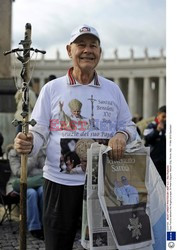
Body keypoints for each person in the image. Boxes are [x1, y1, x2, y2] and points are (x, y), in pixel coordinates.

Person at [14, 24, 136, 250]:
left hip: (103, 185)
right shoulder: (52, 89)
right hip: (60, 183)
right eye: (81, 45)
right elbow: (39, 130)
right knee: (57, 244)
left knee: (104, 245)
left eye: (93, 45)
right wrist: (28, 142)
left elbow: (129, 126)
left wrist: (121, 134)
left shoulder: (113, 90)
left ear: (100, 52)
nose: (88, 50)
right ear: (69, 50)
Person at [7, 145, 46, 240]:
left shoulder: (38, 150)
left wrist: (32, 174)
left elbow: (44, 170)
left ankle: (44, 224)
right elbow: (19, 172)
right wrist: (31, 159)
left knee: (42, 191)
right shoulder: (14, 152)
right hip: (19, 184)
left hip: (35, 183)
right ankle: (34, 227)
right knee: (31, 193)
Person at [143, 105, 166, 184]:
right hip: (153, 161)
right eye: (163, 116)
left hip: (164, 161)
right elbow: (147, 138)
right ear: (158, 115)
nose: (165, 119)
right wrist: (157, 130)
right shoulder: (151, 126)